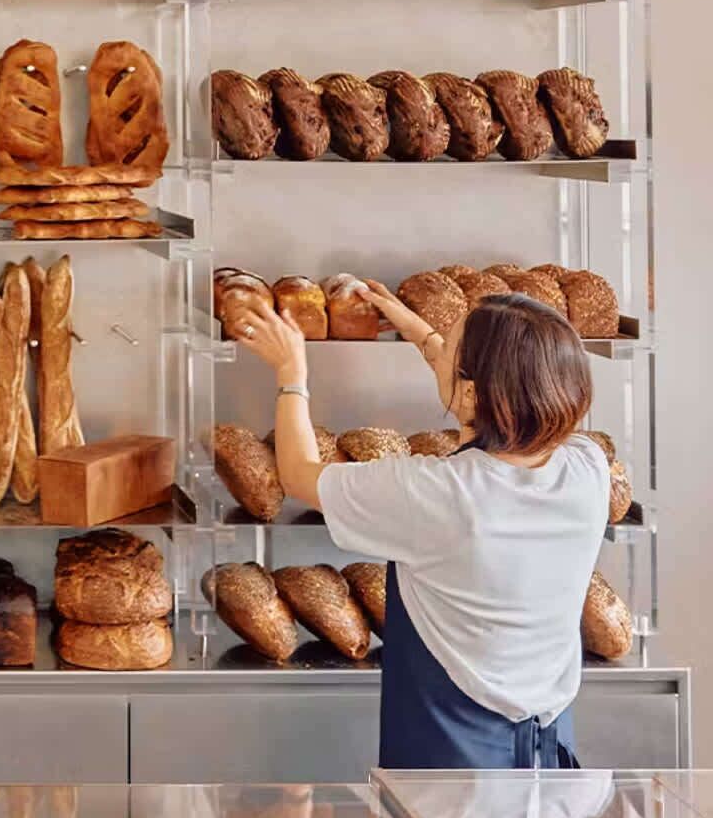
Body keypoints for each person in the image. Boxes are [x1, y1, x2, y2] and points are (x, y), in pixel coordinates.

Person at [234, 285, 609, 770]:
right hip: (549, 755)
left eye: (447, 349)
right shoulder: (587, 468)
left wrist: (292, 374)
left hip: (453, 765)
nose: (437, 349)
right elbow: (513, 388)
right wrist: (416, 329)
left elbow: (299, 474)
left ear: (472, 392)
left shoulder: (435, 494)